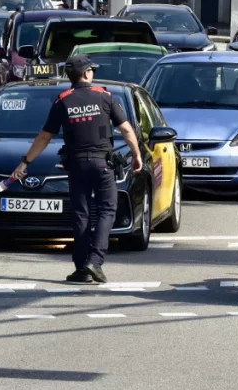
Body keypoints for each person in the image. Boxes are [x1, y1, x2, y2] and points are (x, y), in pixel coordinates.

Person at [11, 54, 145, 284]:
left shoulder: (62, 100)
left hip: (77, 165)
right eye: (91, 69)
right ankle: (95, 261)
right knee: (107, 209)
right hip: (103, 163)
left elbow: (44, 137)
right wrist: (136, 155)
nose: (93, 72)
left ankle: (82, 267)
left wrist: (25, 162)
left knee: (81, 214)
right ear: (86, 73)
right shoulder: (105, 97)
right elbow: (126, 129)